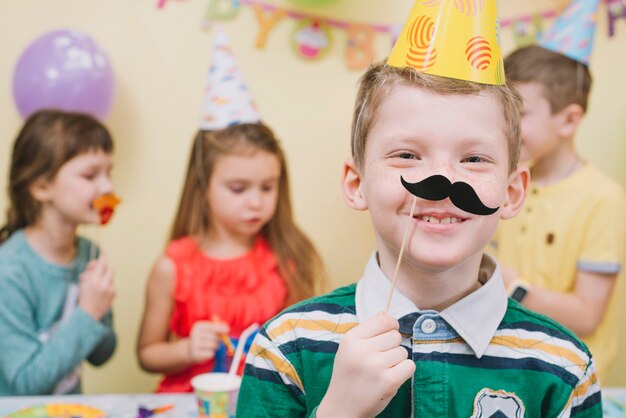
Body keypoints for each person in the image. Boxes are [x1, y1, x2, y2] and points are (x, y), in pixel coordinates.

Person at [237, 0, 604, 411]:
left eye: (474, 159)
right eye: (407, 155)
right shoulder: (287, 349)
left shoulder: (564, 368)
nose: (443, 182)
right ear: (356, 184)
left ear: (512, 193)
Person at [136, 121, 326, 392]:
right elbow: (147, 354)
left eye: (268, 187)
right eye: (238, 189)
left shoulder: (287, 259)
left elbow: (304, 347)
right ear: (203, 188)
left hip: (264, 400)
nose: (256, 202)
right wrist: (186, 350)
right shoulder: (173, 267)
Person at [491, 43, 626, 381]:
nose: (506, 128)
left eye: (519, 114)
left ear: (568, 120)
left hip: (571, 379)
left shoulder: (603, 200)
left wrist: (508, 285)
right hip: (511, 370)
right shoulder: (506, 185)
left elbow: (586, 315)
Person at [0, 110, 117, 395]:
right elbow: (26, 384)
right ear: (42, 187)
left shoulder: (89, 252)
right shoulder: (10, 271)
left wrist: (99, 309)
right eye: (90, 175)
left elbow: (102, 355)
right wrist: (88, 312)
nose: (108, 187)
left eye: (108, 173)